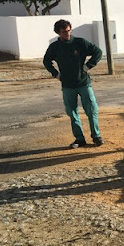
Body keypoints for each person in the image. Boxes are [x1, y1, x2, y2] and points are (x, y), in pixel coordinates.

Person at [43, 19, 104, 149]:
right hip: (67, 85)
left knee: (92, 109)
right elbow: (46, 61)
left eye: (69, 30)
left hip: (84, 83)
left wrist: (88, 66)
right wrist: (56, 74)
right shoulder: (55, 47)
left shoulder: (80, 42)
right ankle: (79, 138)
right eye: (64, 32)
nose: (67, 33)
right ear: (58, 32)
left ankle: (96, 136)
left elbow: (98, 52)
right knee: (72, 112)